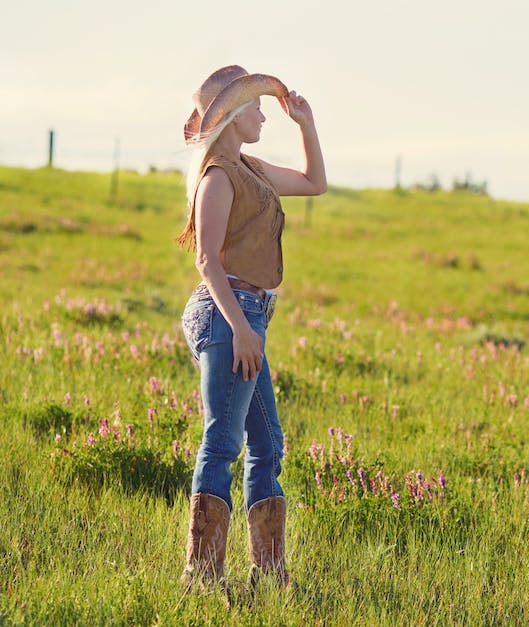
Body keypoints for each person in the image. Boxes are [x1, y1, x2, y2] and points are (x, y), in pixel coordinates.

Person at [175, 65, 326, 589]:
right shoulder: (217, 176)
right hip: (227, 314)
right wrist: (241, 329)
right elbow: (206, 260)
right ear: (235, 116)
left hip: (248, 315)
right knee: (222, 442)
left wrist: (306, 123)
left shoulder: (251, 167)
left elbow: (315, 183)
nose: (265, 113)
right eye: (258, 107)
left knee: (267, 444)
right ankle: (203, 576)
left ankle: (269, 572)